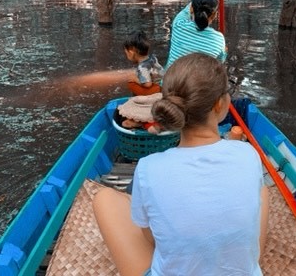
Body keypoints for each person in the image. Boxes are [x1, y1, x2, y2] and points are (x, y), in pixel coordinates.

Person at [94, 53, 269, 276]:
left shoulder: (148, 167)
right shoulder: (248, 154)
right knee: (262, 192)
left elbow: (151, 239)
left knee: (104, 198)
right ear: (219, 104)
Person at [165, 0, 232, 69]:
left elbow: (192, 4)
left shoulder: (178, 24)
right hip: (195, 83)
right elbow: (219, 63)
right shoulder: (219, 40)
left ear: (192, 9)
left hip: (169, 82)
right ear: (214, 15)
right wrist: (224, 53)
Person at [124, 30, 165, 96]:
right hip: (164, 84)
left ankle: (143, 98)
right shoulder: (152, 58)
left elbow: (148, 84)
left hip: (158, 90)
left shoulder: (142, 67)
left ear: (131, 52)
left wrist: (135, 80)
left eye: (126, 52)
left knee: (131, 83)